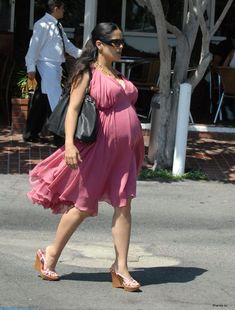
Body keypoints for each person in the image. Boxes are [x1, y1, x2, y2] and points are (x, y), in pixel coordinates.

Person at [28, 22, 145, 292]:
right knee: (81, 207)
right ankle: (50, 255)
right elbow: (73, 109)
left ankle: (121, 268)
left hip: (123, 153)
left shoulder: (117, 74)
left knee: (123, 205)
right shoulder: (87, 73)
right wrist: (69, 144)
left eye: (121, 41)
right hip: (98, 150)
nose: (120, 46)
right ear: (100, 45)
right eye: (115, 42)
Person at [24, 0, 82, 143]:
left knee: (43, 100)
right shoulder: (42, 25)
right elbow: (33, 48)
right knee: (55, 101)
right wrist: (30, 68)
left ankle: (31, 133)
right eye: (62, 8)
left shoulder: (58, 25)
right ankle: (59, 138)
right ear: (55, 8)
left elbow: (67, 46)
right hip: (46, 67)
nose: (64, 11)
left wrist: (84, 54)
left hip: (55, 67)